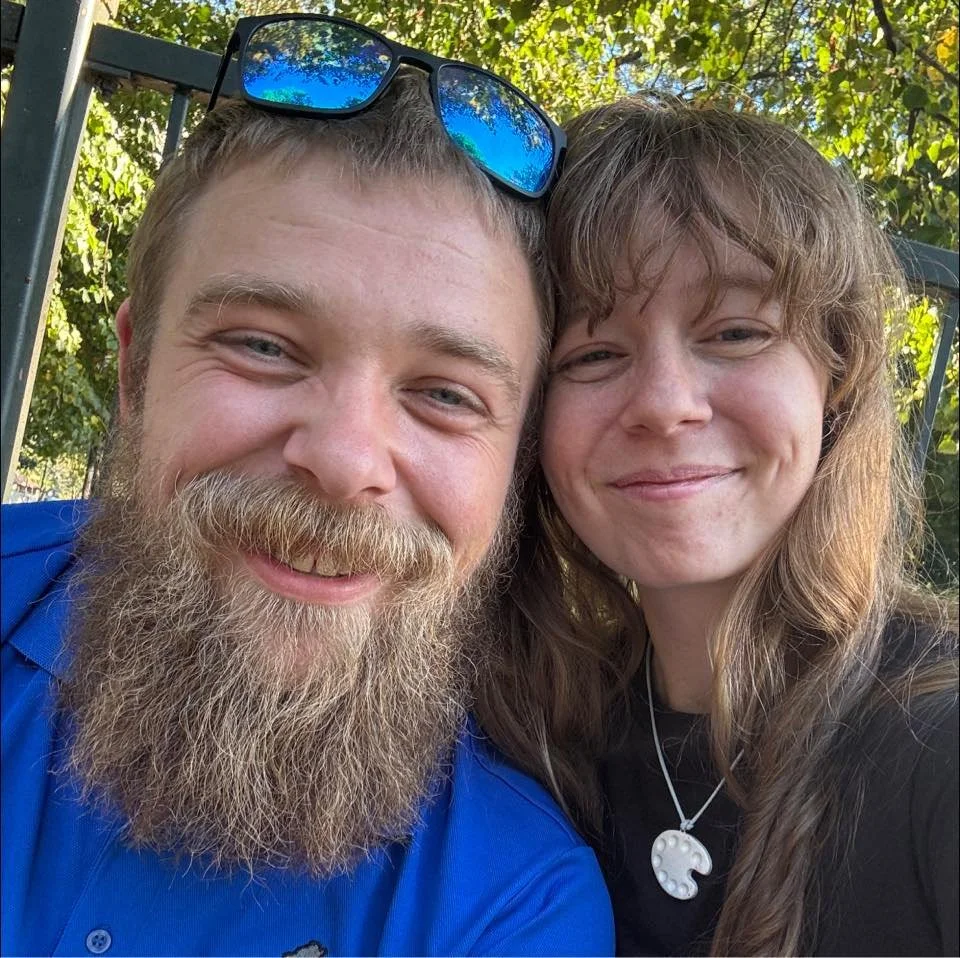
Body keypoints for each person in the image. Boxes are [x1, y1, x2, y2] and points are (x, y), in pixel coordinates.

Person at [0, 15, 614, 957]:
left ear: (516, 468)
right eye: (263, 346)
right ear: (135, 371)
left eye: (445, 395)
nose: (345, 460)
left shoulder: (518, 911)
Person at [476, 94, 959, 956]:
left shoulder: (937, 738)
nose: (665, 404)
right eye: (592, 354)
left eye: (736, 332)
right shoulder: (531, 739)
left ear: (836, 377)